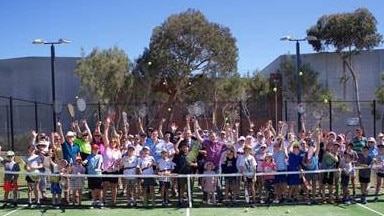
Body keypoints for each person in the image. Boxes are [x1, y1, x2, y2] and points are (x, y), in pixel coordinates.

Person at [83, 144, 103, 209]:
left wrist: (98, 167)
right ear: (92, 150)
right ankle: (94, 201)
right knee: (92, 189)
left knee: (99, 189)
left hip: (98, 174)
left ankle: (100, 202)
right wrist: (84, 162)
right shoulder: (89, 156)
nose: (96, 150)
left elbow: (100, 163)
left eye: (97, 149)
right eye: (94, 149)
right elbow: (85, 161)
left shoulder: (100, 156)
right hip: (91, 175)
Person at [24, 144, 43, 208]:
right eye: (30, 149)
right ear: (28, 150)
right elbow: (25, 166)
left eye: (33, 149)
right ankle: (29, 201)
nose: (32, 150)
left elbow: (41, 165)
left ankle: (38, 201)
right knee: (29, 189)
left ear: (34, 150)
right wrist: (27, 168)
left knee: (36, 188)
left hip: (36, 174)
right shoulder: (26, 157)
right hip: (29, 174)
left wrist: (35, 167)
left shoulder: (37, 157)